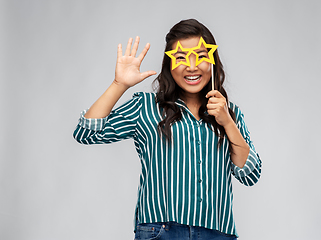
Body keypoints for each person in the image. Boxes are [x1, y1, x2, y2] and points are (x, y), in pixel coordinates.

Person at [73, 19, 262, 240]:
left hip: (218, 233)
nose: (192, 67)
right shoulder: (145, 107)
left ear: (212, 61)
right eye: (181, 58)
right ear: (169, 65)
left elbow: (250, 174)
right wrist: (119, 84)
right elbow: (86, 132)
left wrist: (227, 122)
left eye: (201, 56)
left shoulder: (230, 114)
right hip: (162, 232)